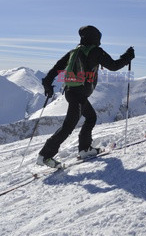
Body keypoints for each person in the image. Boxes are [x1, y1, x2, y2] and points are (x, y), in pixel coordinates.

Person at [36, 25, 135, 168]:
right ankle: (45, 156)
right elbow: (113, 66)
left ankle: (84, 149)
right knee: (68, 127)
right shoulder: (96, 51)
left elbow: (57, 67)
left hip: (71, 92)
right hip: (79, 95)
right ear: (95, 38)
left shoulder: (74, 52)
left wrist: (47, 83)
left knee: (91, 117)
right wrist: (127, 57)